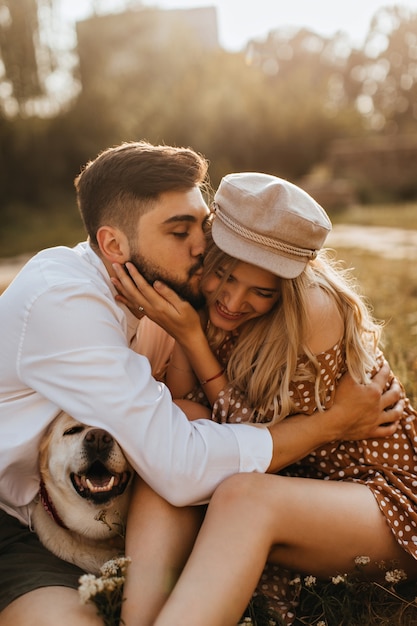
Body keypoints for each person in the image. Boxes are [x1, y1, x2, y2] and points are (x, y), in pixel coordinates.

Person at [0, 143, 401, 626]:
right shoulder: (66, 303)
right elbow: (182, 465)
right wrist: (332, 423)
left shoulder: (167, 297)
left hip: (355, 492)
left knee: (185, 441)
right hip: (14, 517)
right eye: (180, 231)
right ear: (114, 245)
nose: (201, 247)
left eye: (202, 226)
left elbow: (185, 438)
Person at [112, 172, 417, 626]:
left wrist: (194, 343)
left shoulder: (312, 310)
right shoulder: (201, 298)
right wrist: (189, 332)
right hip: (293, 488)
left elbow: (264, 445)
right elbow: (183, 407)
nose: (233, 302)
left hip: (374, 499)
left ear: (289, 286)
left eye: (262, 292)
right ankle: (139, 617)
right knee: (177, 438)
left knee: (243, 493)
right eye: (224, 275)